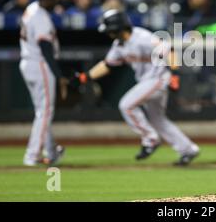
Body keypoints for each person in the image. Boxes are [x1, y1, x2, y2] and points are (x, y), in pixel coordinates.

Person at [72, 9, 200, 165]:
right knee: (157, 119)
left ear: (117, 28)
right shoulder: (119, 44)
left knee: (126, 105)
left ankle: (150, 139)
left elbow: (169, 50)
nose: (108, 33)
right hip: (147, 81)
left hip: (158, 79)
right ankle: (188, 150)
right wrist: (86, 76)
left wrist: (174, 75)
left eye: (110, 30)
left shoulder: (142, 38)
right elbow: (108, 65)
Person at [19, 0, 68, 166]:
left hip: (28, 63)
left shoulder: (32, 9)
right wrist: (59, 74)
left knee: (42, 111)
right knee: (45, 112)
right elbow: (46, 47)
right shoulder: (39, 17)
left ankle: (51, 151)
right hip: (39, 64)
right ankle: (32, 156)